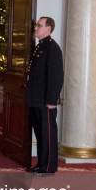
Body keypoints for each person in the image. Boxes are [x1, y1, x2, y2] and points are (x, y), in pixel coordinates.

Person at [25, 16, 64, 174]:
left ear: (49, 28)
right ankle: (41, 163)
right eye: (36, 25)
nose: (36, 28)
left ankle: (48, 167)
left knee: (47, 134)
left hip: (45, 101)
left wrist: (51, 100)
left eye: (39, 26)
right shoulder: (40, 47)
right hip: (36, 99)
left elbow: (56, 76)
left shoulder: (52, 48)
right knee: (40, 134)